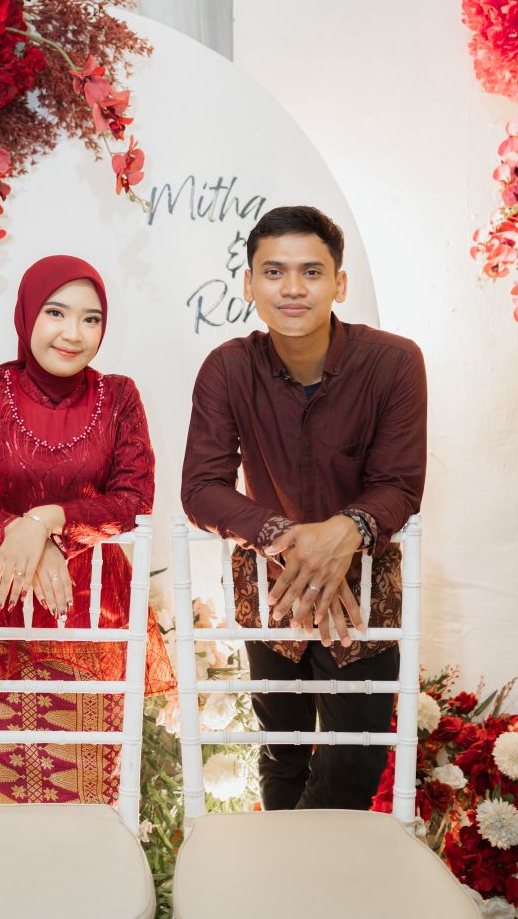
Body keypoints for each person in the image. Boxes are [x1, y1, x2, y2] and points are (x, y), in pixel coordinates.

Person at [181, 206, 427, 811]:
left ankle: (309, 862)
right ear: (249, 284)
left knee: (355, 758)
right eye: (274, 272)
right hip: (274, 589)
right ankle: (283, 863)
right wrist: (293, 540)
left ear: (339, 284)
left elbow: (398, 484)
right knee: (282, 750)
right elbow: (202, 487)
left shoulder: (394, 363)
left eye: (311, 271)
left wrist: (345, 530)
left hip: (363, 594)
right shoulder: (228, 369)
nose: (293, 288)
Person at [0, 255, 173, 805]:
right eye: (56, 313)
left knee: (89, 795)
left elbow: (133, 502)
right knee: (4, 793)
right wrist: (15, 531)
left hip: (93, 613)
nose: (73, 333)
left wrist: (49, 521)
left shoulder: (118, 396)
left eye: (91, 318)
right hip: (0, 611)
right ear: (28, 313)